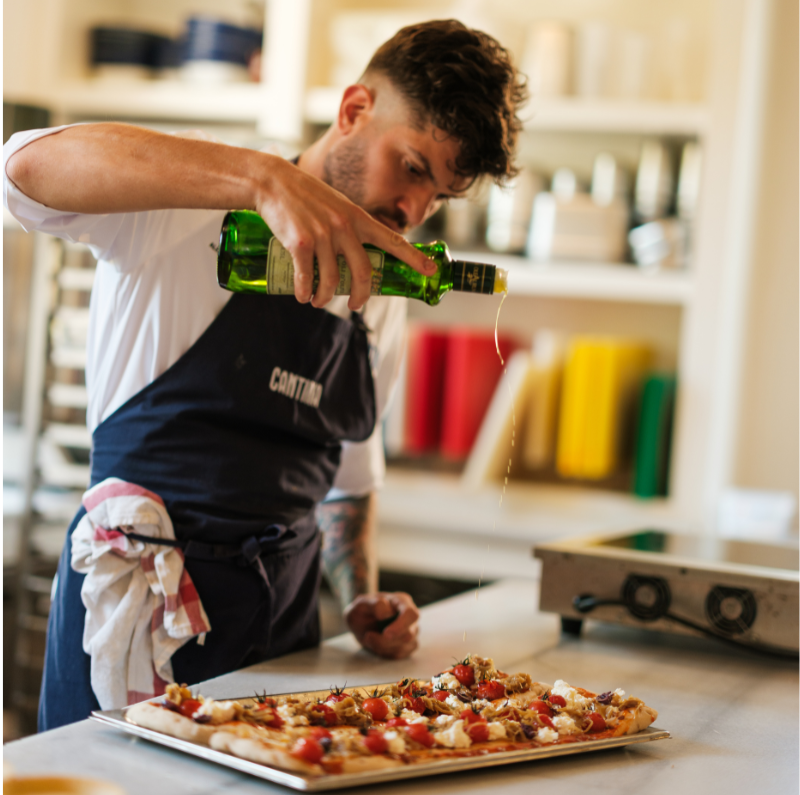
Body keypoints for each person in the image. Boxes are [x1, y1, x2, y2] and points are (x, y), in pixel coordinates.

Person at [3, 19, 526, 731]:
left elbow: (347, 485)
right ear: (353, 111)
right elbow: (22, 171)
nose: (413, 211)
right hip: (136, 625)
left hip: (284, 643)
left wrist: (361, 600)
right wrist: (259, 175)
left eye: (437, 195)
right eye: (409, 166)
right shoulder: (189, 212)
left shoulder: (381, 301)